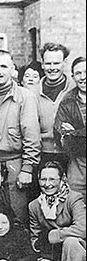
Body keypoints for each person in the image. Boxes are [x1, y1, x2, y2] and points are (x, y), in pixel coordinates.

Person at [0, 49, 41, 223]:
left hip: (14, 166)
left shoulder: (25, 97)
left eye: (4, 66)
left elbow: (32, 137)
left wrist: (27, 169)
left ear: (12, 70)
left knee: (16, 215)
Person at [28, 161, 85, 261]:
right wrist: (41, 245)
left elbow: (83, 229)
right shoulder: (34, 206)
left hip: (78, 253)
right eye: (43, 179)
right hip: (55, 257)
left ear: (62, 179)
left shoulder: (73, 198)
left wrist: (53, 235)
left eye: (52, 179)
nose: (47, 184)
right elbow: (35, 240)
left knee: (71, 243)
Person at [54, 56, 86, 199]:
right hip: (77, 162)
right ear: (72, 76)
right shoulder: (67, 101)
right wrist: (71, 136)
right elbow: (64, 140)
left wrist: (75, 133)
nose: (83, 77)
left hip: (79, 151)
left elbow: (72, 137)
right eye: (78, 73)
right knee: (77, 202)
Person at [38, 43, 74, 169]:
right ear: (42, 64)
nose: (52, 68)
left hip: (71, 155)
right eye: (48, 63)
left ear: (64, 62)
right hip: (41, 155)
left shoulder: (74, 88)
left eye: (56, 63)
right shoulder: (32, 92)